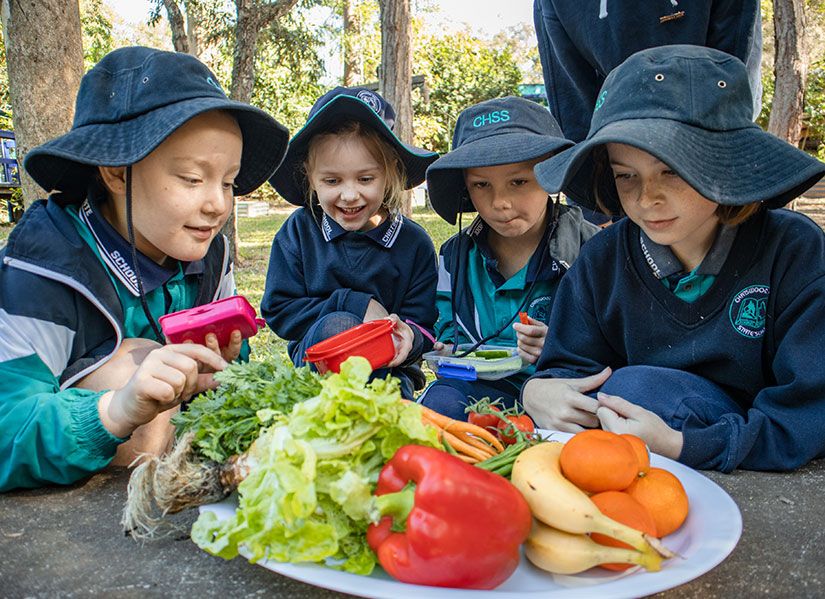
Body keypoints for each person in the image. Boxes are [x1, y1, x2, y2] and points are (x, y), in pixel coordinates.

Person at [0, 47, 289, 492]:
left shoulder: (210, 254)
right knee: (127, 365)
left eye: (228, 182)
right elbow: (6, 426)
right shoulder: (45, 266)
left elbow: (227, 371)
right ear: (116, 173)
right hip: (86, 472)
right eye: (193, 179)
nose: (217, 204)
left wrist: (226, 359)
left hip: (179, 460)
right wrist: (115, 411)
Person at [525, 45, 825, 472]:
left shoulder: (796, 251)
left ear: (727, 163)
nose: (647, 198)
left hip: (726, 440)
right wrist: (538, 390)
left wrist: (682, 444)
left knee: (637, 387)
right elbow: (569, 365)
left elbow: (810, 410)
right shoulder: (602, 259)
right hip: (622, 454)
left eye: (674, 169)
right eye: (625, 175)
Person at [418, 97, 599, 421]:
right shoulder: (454, 257)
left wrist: (560, 346)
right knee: (439, 404)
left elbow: (619, 349)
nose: (500, 202)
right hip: (483, 397)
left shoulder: (593, 250)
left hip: (564, 403)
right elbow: (446, 327)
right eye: (481, 185)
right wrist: (445, 348)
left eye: (518, 181)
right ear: (464, 189)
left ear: (551, 174)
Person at [262, 87, 439, 399]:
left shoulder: (415, 244)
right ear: (310, 177)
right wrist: (355, 305)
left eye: (365, 179)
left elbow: (424, 325)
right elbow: (279, 311)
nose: (349, 195)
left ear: (390, 173)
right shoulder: (299, 232)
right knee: (340, 324)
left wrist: (409, 335)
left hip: (392, 379)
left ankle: (378, 420)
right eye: (332, 181)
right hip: (318, 377)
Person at [533, 0, 763, 220]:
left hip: (710, 142)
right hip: (617, 149)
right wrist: (596, 207)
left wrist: (728, 174)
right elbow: (571, 96)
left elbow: (733, 66)